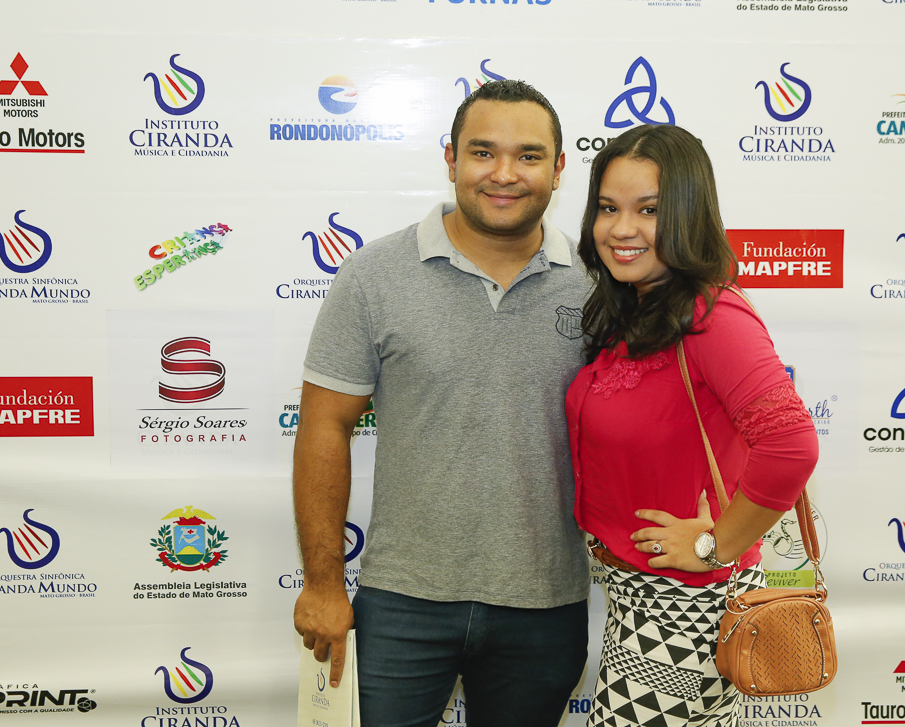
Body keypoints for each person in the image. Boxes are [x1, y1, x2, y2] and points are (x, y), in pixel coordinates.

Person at [293, 79, 590, 727]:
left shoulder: (598, 284)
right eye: (483, 152)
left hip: (545, 606)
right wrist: (321, 584)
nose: (504, 173)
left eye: (529, 155)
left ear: (559, 168)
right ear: (451, 159)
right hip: (402, 602)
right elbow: (324, 425)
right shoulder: (374, 274)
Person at [567, 124, 819, 727]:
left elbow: (790, 445)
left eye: (649, 210)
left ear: (687, 215)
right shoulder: (636, 309)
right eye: (608, 208)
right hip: (641, 596)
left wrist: (714, 545)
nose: (621, 229)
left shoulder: (712, 316)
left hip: (686, 606)